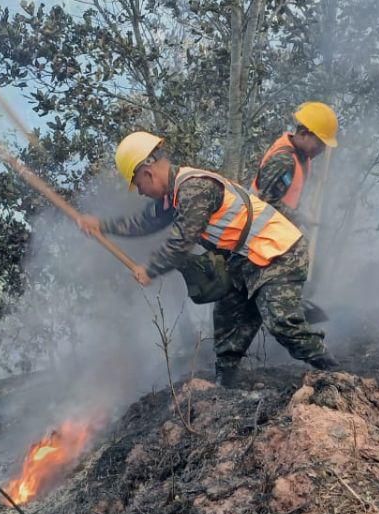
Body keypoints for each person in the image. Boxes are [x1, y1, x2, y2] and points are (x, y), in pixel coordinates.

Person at [76, 131, 337, 387]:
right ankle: (225, 387)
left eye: (138, 185)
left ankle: (338, 374)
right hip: (248, 260)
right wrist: (101, 225)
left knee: (281, 323)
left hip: (278, 252)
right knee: (227, 323)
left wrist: (150, 269)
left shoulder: (193, 189)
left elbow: (181, 242)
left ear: (147, 172)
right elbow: (146, 222)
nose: (141, 193)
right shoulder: (173, 195)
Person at [251, 101, 338, 221]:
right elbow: (264, 202)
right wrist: (297, 218)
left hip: (274, 227)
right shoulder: (284, 161)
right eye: (319, 143)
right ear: (303, 134)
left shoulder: (302, 157)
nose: (321, 150)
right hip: (256, 227)